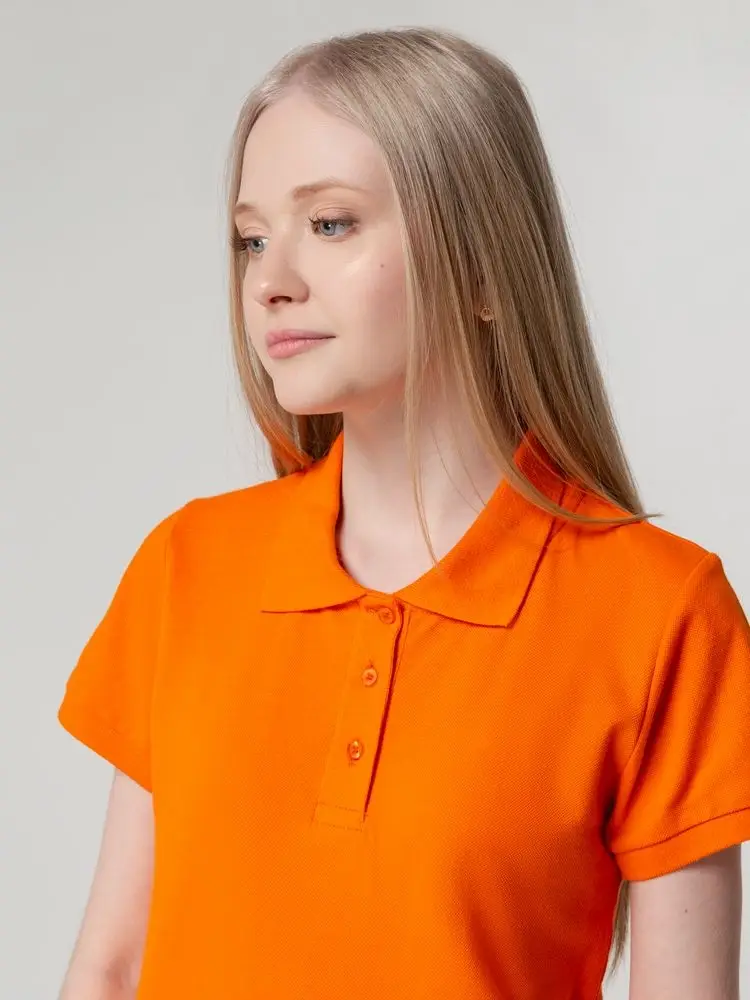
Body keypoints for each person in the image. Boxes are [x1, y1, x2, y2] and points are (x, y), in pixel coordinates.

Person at [57, 25, 750, 1000]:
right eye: (252, 238)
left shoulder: (661, 612)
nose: (270, 280)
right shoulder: (190, 566)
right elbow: (111, 968)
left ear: (484, 266)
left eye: (330, 223)